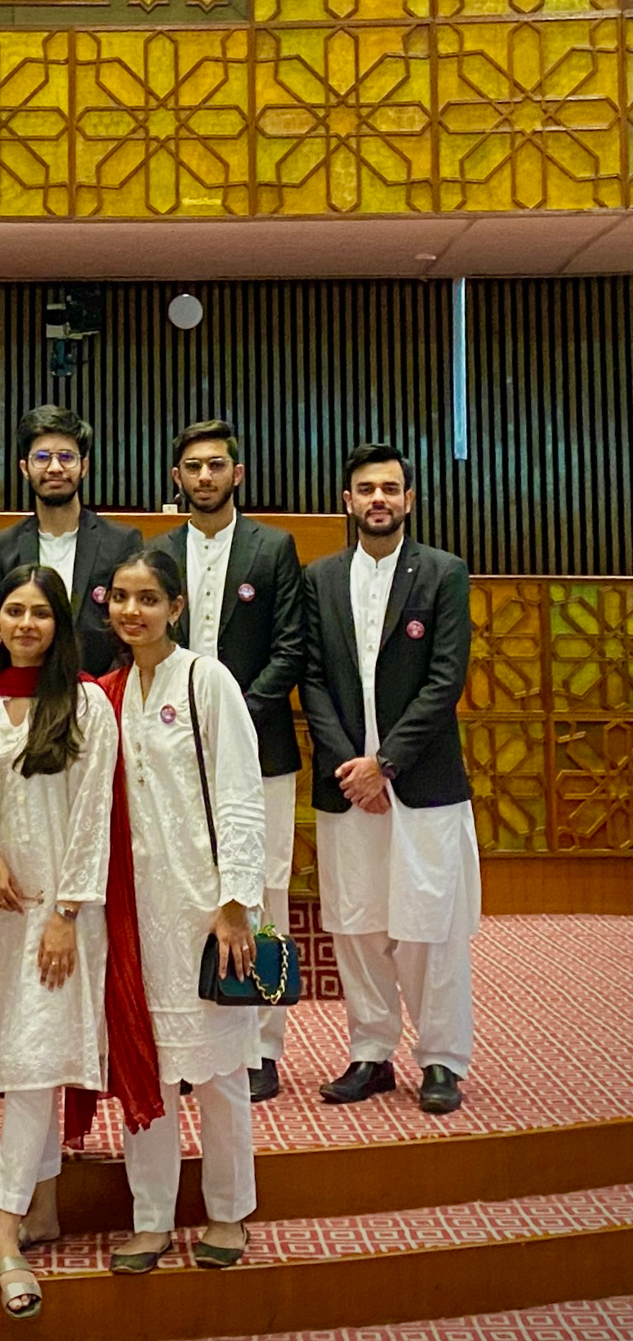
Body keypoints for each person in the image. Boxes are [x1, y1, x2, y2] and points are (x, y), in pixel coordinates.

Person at [301, 442, 479, 1119]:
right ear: (346, 502)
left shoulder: (442, 573)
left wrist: (387, 763)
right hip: (347, 784)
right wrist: (354, 766)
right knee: (358, 925)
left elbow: (445, 679)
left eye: (391, 488)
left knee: (430, 927)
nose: (378, 498)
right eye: (366, 488)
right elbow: (311, 678)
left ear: (408, 500)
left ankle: (441, 1059)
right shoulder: (319, 578)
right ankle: (371, 1053)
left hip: (422, 782)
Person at [103, 547, 265, 1274]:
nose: (132, 611)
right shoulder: (108, 691)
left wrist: (237, 903)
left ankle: (229, 1212)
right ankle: (152, 1218)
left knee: (225, 1067)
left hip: (205, 908)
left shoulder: (207, 679)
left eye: (148, 598)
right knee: (150, 1064)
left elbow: (238, 793)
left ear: (175, 606)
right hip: (134, 913)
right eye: (121, 598)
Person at [0, 565, 118, 1321]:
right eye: (14, 611)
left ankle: (4, 1233)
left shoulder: (87, 703)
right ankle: (45, 1205)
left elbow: (94, 817)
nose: (26, 624)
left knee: (32, 1061)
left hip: (60, 915)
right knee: (21, 1059)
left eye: (41, 613)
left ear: (61, 624)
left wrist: (66, 910)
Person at [162, 418, 307, 1103]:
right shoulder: (157, 551)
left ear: (236, 474)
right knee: (191, 884)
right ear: (178, 479)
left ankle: (260, 1048)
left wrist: (236, 716)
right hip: (177, 749)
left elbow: (291, 646)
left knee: (262, 884)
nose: (205, 477)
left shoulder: (273, 548)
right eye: (193, 467)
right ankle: (195, 1036)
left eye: (217, 465)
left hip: (260, 744)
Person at [0, 405, 143, 677]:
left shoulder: (122, 542)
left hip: (107, 692)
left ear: (84, 466)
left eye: (66, 457)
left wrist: (103, 692)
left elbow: (133, 633)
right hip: (24, 696)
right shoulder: (1, 548)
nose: (55, 468)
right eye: (42, 457)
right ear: (25, 468)